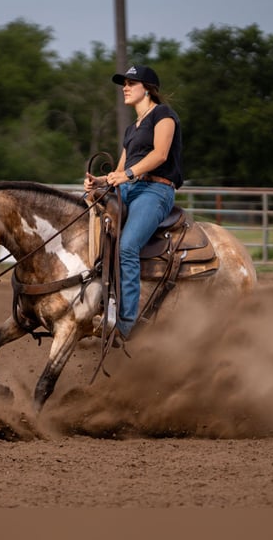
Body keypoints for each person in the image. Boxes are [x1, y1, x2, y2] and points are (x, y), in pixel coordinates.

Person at [83, 64, 184, 340]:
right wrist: (100, 182)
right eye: (124, 84)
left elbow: (161, 154)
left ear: (148, 88)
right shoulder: (131, 129)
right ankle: (95, 300)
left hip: (155, 191)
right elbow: (119, 170)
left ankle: (126, 323)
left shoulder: (163, 115)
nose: (125, 88)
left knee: (127, 246)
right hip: (128, 188)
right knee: (84, 219)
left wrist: (126, 175)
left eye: (131, 83)